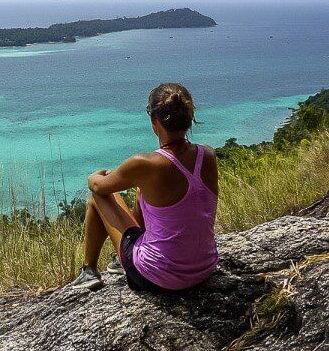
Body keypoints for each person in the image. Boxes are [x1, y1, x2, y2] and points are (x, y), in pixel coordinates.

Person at [70, 83, 218, 292]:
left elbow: (98, 186)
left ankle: (89, 271)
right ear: (189, 118)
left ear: (154, 121)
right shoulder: (208, 156)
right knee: (143, 191)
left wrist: (96, 175)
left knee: (97, 197)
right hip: (204, 269)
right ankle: (116, 260)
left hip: (158, 278)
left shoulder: (145, 164)